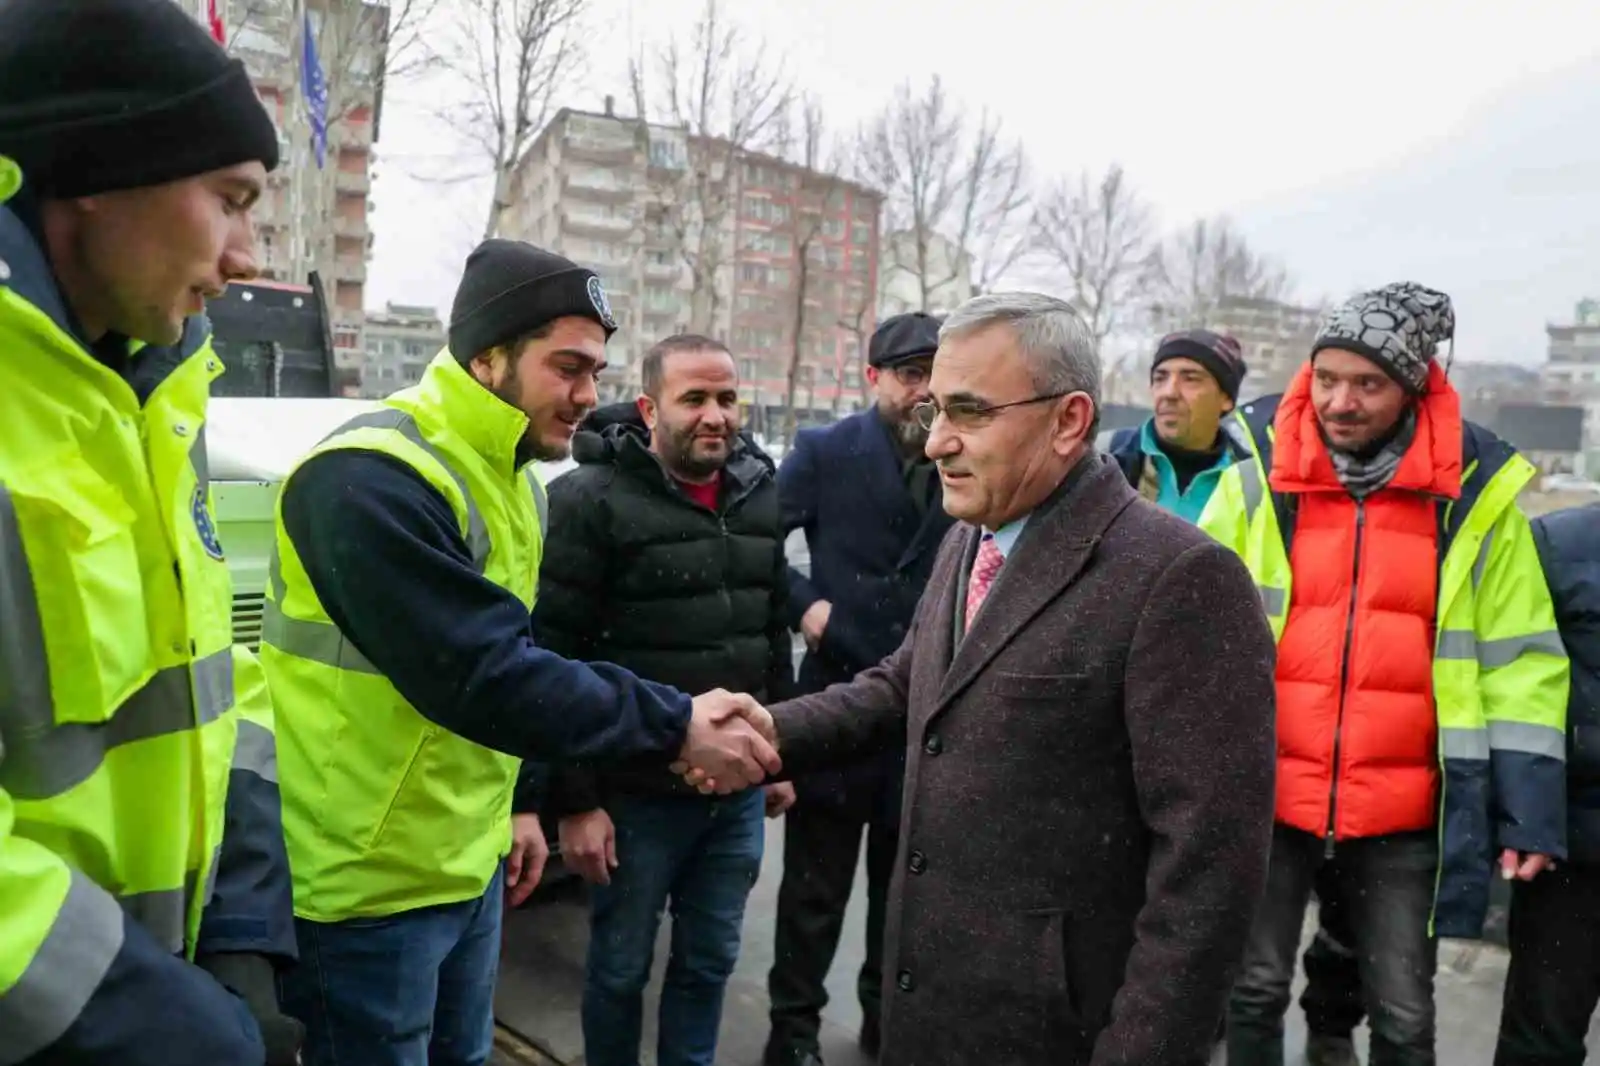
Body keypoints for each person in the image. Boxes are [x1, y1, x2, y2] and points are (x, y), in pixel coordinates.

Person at [683, 292, 1279, 1066]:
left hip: (1049, 1035)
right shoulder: (976, 533)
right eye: (934, 410)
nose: (935, 443)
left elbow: (1208, 879)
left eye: (967, 412)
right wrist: (773, 730)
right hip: (929, 1014)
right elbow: (909, 683)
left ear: (1068, 420)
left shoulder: (1180, 578)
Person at [261, 241, 781, 1066]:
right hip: (361, 887)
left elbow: (529, 657)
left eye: (597, 373)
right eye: (567, 368)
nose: (587, 397)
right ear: (487, 355)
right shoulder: (368, 476)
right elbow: (480, 673)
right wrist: (675, 722)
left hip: (465, 868)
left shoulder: (513, 480)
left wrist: (515, 809)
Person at [0, 1, 304, 1063]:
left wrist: (245, 937)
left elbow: (224, 689)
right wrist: (154, 1021)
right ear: (95, 168)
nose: (244, 255)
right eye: (230, 201)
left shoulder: (160, 397)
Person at [1201, 281, 1570, 1066]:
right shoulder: (1255, 480)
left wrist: (1532, 813)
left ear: (1413, 387)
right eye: (1327, 378)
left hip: (1406, 811)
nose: (1340, 400)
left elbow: (1523, 664)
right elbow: (1190, 636)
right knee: (1251, 990)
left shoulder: (1472, 498)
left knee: (1403, 1015)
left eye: (1367, 384)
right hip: (1265, 793)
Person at [533, 334, 793, 1066]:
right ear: (650, 408)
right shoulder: (588, 502)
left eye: (728, 398)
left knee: (708, 964)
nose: (716, 416)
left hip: (734, 793)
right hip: (631, 796)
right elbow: (554, 658)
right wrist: (575, 801)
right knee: (618, 970)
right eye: (695, 399)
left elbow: (767, 628)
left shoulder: (756, 493)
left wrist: (782, 754)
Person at [762, 311, 955, 1066]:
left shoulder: (962, 453)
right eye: (911, 376)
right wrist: (807, 604)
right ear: (873, 378)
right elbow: (757, 542)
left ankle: (887, 1031)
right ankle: (793, 1036)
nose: (926, 394)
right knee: (812, 895)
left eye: (938, 377)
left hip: (928, 707)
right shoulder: (823, 451)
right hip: (839, 699)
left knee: (906, 898)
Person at [1492, 502, 1600, 1066]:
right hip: (1573, 847)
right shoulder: (1557, 544)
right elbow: (1517, 686)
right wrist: (1527, 822)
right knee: (1542, 1037)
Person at [1105, 327, 1256, 521]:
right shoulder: (1104, 457)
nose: (1169, 393)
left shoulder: (1251, 484)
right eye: (1160, 378)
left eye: (1190, 379)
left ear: (1226, 398)